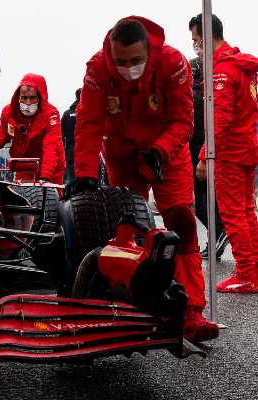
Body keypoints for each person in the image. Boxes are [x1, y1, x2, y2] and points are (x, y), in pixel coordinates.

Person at [72, 17, 218, 342]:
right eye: (121, 62)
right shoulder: (98, 68)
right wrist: (83, 173)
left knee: (182, 222)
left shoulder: (173, 62)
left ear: (148, 51)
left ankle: (192, 312)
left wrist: (161, 150)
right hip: (123, 155)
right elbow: (88, 123)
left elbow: (183, 120)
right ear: (111, 53)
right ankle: (125, 306)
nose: (128, 68)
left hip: (169, 151)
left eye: (135, 61)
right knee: (125, 227)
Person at [192, 14, 258, 293]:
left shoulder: (222, 69)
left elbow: (219, 117)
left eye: (197, 40)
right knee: (246, 212)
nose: (196, 46)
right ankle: (255, 270)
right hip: (247, 149)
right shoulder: (242, 65)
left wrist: (202, 155)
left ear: (208, 36)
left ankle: (246, 273)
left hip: (231, 152)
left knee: (234, 213)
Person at [0, 73, 65, 183]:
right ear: (18, 97)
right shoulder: (9, 112)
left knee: (49, 197)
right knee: (23, 196)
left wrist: (46, 176)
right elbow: (2, 135)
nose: (28, 102)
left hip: (51, 167)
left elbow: (51, 146)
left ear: (40, 97)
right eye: (24, 98)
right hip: (24, 165)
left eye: (32, 98)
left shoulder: (51, 114)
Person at [188, 55, 228, 260]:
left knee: (200, 200)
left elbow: (193, 129)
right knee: (208, 198)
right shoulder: (208, 91)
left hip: (198, 154)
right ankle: (217, 235)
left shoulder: (196, 93)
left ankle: (220, 231)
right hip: (209, 152)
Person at [61, 89, 80, 186]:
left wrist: (64, 150)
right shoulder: (88, 113)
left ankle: (70, 198)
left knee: (70, 177)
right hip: (86, 151)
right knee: (87, 178)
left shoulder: (67, 114)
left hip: (70, 150)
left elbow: (61, 134)